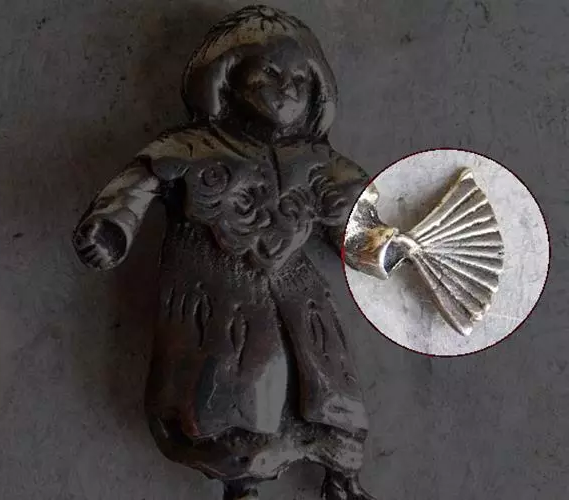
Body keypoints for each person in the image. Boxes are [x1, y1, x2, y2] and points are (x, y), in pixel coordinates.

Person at [73, 5, 374, 500]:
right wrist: (112, 228)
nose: (287, 89)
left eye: (300, 79)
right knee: (237, 386)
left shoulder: (318, 162)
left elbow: (353, 220)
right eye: (269, 74)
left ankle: (342, 477)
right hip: (218, 298)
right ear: (226, 79)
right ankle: (243, 484)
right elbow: (140, 184)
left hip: (300, 298)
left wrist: (378, 244)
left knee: (326, 380)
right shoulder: (191, 148)